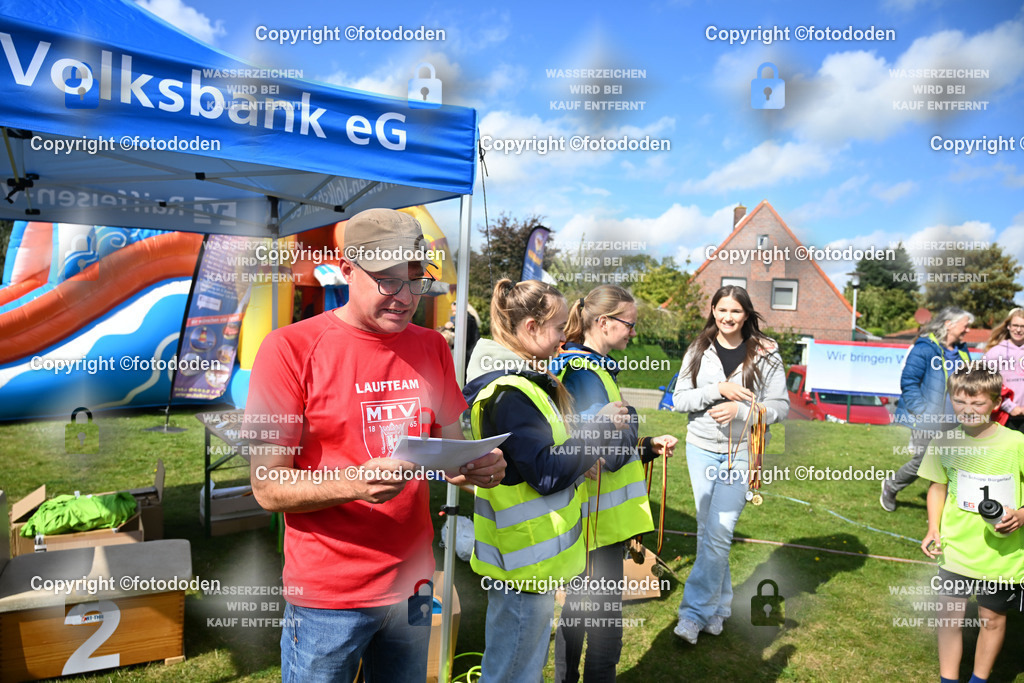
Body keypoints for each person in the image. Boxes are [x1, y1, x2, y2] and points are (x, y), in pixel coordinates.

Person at [243, 208, 505, 683]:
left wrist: (476, 466)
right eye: (387, 281)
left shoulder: (432, 348)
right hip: (328, 597)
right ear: (346, 269)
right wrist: (351, 483)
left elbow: (449, 449)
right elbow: (266, 487)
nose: (404, 298)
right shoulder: (288, 349)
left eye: (414, 280)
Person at [463, 278, 632, 683]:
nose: (561, 340)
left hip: (528, 562)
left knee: (518, 666)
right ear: (532, 328)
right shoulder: (509, 392)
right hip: (523, 565)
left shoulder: (523, 383)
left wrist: (580, 454)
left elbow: (545, 460)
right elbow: (546, 472)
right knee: (513, 672)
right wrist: (599, 430)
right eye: (557, 330)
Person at [550, 285, 678, 683]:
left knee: (580, 608)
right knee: (602, 621)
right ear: (603, 323)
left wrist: (646, 446)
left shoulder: (588, 367)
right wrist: (633, 426)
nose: (633, 333)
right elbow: (608, 453)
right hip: (595, 522)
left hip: (594, 519)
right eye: (629, 324)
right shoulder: (585, 374)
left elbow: (608, 448)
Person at [671, 285, 788, 644]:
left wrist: (742, 410)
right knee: (709, 531)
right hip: (701, 448)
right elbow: (679, 400)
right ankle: (719, 607)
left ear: (747, 314)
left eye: (735, 311)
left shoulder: (767, 353)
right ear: (713, 310)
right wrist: (717, 390)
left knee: (719, 532)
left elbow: (780, 408)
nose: (727, 317)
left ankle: (692, 614)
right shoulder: (698, 348)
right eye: (722, 310)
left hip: (742, 453)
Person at [919, 362, 1024, 683]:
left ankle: (979, 680)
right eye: (959, 401)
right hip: (954, 550)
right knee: (949, 617)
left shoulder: (1017, 444)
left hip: (1002, 555)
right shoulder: (943, 443)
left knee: (991, 619)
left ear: (995, 403)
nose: (968, 410)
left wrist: (1020, 515)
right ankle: (948, 680)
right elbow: (937, 486)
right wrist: (933, 527)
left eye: (978, 403)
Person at [883, 307, 974, 511]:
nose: (968, 329)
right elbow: (909, 381)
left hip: (955, 420)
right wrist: (921, 410)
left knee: (951, 463)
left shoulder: (962, 351)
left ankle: (947, 509)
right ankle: (891, 485)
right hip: (927, 418)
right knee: (923, 460)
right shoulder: (925, 348)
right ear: (948, 324)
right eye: (965, 325)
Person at [983, 307, 1024, 432]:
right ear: (1008, 326)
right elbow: (985, 384)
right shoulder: (994, 353)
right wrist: (1009, 406)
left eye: (1022, 326)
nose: (1018, 329)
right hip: (1004, 416)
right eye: (1015, 325)